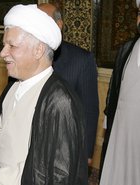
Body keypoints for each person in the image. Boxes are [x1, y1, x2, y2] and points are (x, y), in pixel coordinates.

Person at [0, 4, 91, 185]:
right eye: (4, 45)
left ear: (38, 50)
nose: (2, 53)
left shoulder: (59, 101)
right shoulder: (14, 86)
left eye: (12, 46)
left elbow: (52, 172)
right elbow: (0, 133)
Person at [38, 3, 99, 165]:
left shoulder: (81, 60)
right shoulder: (25, 58)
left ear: (59, 25)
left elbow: (89, 110)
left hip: (65, 149)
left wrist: (86, 153)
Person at [96, 1, 140, 185]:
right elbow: (115, 90)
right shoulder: (128, 48)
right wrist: (109, 118)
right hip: (122, 135)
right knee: (121, 181)